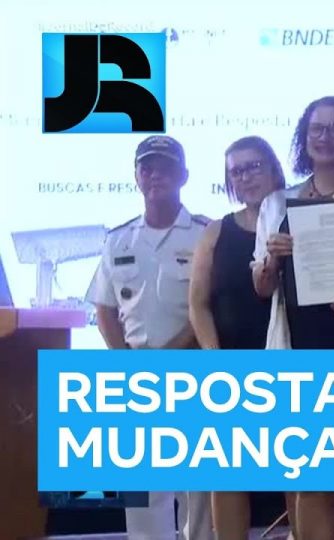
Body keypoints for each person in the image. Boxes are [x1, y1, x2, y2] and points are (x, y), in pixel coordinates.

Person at [251, 97, 334, 540]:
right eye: (316, 129)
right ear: (304, 138)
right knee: (310, 481)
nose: (325, 138)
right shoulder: (276, 203)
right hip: (299, 351)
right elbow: (262, 287)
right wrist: (272, 257)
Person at [85, 135, 213, 540]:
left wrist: (172, 354)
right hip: (136, 371)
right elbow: (105, 308)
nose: (156, 175)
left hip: (193, 369)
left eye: (166, 168)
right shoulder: (118, 239)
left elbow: (209, 306)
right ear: (137, 177)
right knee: (144, 495)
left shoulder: (206, 234)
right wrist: (124, 359)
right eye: (147, 168)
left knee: (199, 489)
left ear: (184, 176)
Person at [187, 136, 297, 540]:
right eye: (236, 171)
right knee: (229, 472)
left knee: (295, 470)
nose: (246, 177)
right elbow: (197, 304)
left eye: (254, 167)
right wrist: (213, 356)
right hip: (230, 364)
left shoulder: (298, 218)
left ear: (274, 169)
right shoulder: (217, 231)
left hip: (288, 362)